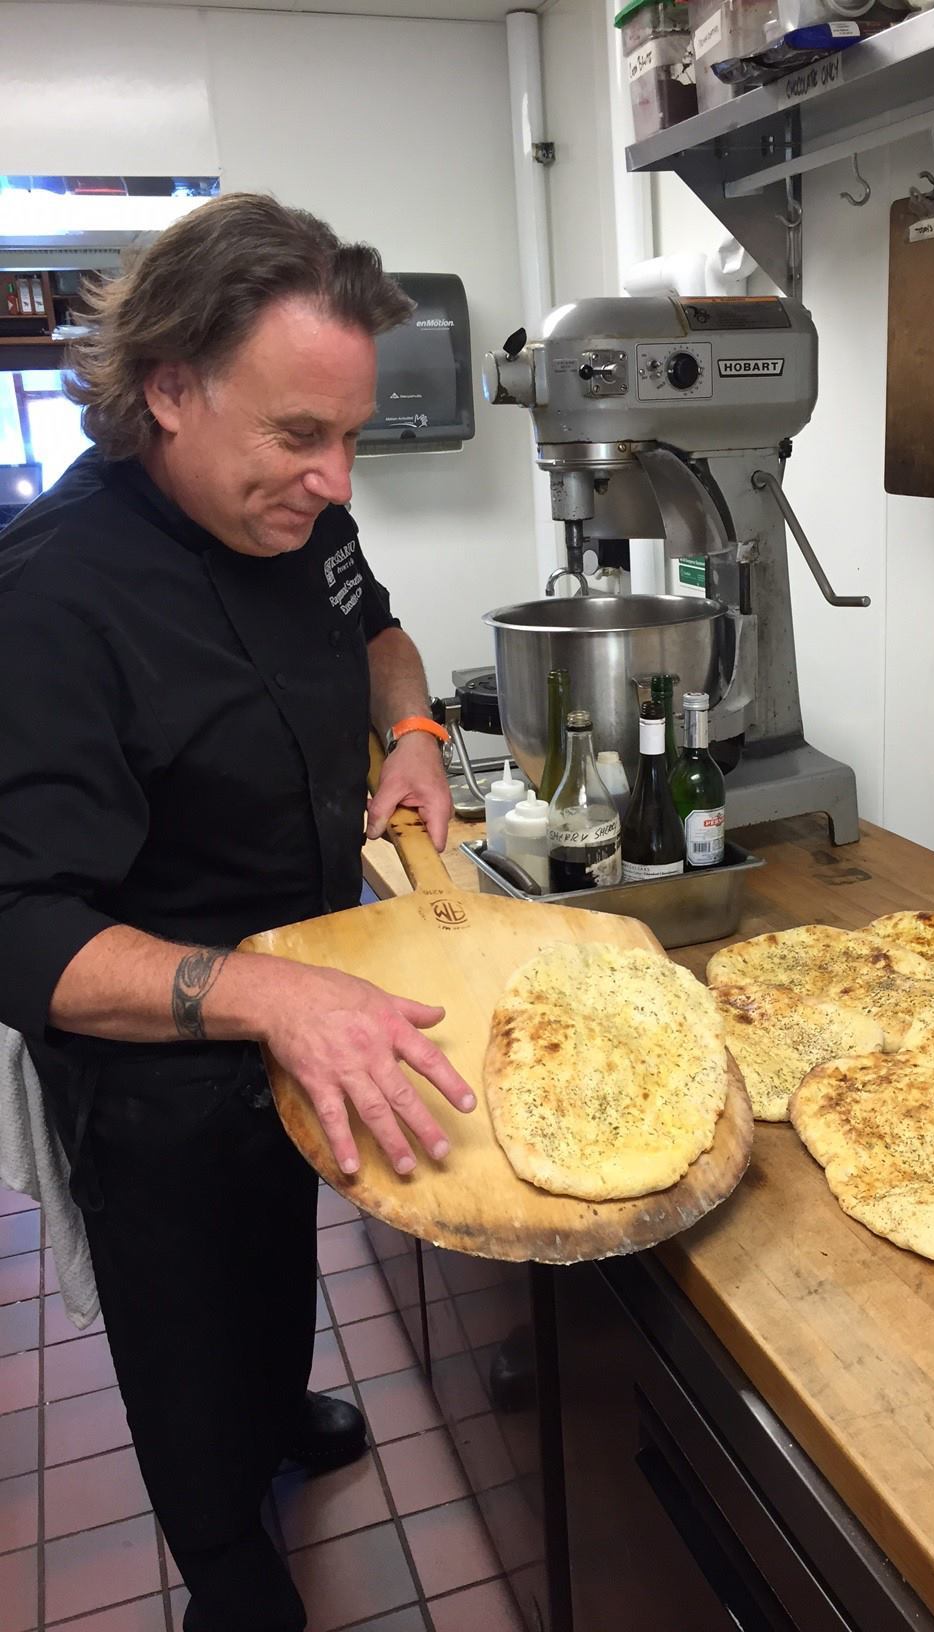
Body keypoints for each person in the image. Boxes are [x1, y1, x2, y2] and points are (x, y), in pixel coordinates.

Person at [0, 193, 476, 1631]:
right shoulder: (52, 600)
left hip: (302, 1001)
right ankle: (225, 1566)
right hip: (155, 1066)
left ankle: (279, 1416)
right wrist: (272, 995)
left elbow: (378, 631)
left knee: (282, 1254)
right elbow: (23, 928)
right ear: (170, 388)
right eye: (297, 437)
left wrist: (415, 739)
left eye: (349, 438)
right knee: (184, 1327)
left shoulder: (297, 513)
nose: (334, 479)